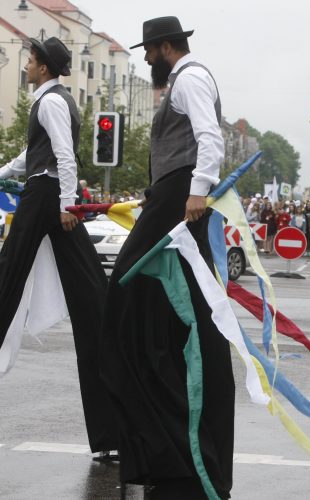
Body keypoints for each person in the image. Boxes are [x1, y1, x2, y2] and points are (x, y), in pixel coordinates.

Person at [99, 17, 234, 499]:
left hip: (182, 196)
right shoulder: (181, 80)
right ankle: (164, 437)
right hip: (171, 194)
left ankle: (172, 438)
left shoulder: (191, 77)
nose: (145, 59)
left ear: (162, 46)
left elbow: (210, 138)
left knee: (125, 295)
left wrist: (195, 192)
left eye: (148, 51)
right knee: (163, 310)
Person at [0, 37, 117, 455]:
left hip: (45, 197)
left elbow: (63, 158)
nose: (27, 66)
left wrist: (68, 203)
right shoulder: (59, 100)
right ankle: (111, 433)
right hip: (51, 194)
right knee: (93, 304)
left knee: (6, 280)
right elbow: (32, 153)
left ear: (44, 69)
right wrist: (3, 171)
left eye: (30, 61)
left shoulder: (49, 102)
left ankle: (112, 431)